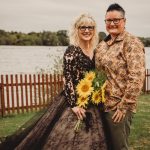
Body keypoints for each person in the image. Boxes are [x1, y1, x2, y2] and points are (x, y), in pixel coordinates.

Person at [0, 13, 107, 150]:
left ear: (94, 30)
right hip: (73, 100)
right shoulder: (72, 51)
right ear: (77, 29)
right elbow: (67, 78)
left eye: (90, 27)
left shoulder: (95, 50)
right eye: (83, 27)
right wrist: (74, 105)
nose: (87, 30)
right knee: (68, 137)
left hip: (91, 99)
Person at [95, 3, 145, 150]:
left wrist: (123, 107)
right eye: (108, 21)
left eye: (116, 20)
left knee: (119, 147)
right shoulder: (103, 44)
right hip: (101, 105)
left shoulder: (131, 43)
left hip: (117, 108)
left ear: (124, 21)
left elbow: (137, 77)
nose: (112, 24)